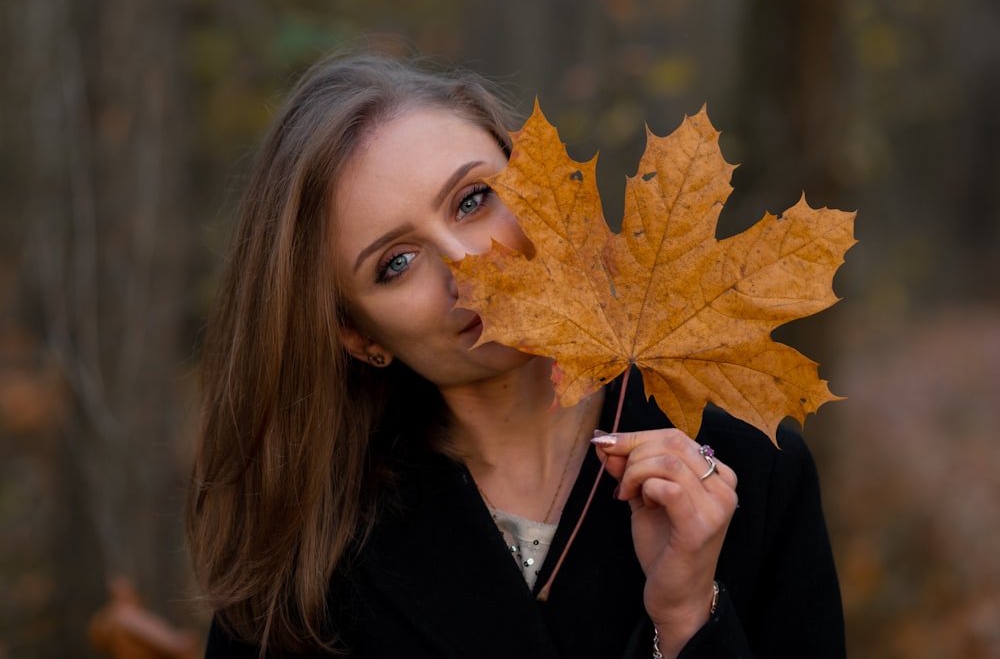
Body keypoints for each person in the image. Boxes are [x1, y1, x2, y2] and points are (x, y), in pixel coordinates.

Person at [185, 50, 846, 659]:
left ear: (542, 189)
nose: (468, 268)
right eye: (397, 263)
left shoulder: (746, 472)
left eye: (473, 201)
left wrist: (687, 621)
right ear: (358, 336)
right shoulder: (306, 563)